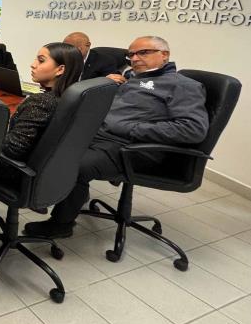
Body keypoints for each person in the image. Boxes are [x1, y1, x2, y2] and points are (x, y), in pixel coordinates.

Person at [24, 36, 209, 238]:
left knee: (72, 164)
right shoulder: (132, 77)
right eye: (131, 54)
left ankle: (61, 224)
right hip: (102, 136)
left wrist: (130, 128)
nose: (135, 58)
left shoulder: (182, 85)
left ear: (164, 55)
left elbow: (193, 129)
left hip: (132, 148)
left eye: (143, 52)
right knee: (47, 143)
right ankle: (45, 194)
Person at [0, 43, 84, 181]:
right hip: (46, 173)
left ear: (60, 70)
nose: (33, 64)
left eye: (41, 60)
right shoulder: (71, 98)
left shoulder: (41, 103)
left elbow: (13, 148)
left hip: (13, 171)